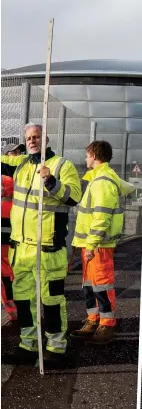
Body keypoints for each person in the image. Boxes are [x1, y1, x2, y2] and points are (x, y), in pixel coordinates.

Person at [1, 124, 82, 363]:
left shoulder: (62, 165)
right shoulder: (22, 164)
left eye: (36, 137)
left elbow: (73, 197)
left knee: (52, 301)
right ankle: (28, 346)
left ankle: (56, 348)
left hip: (48, 249)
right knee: (25, 302)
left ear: (45, 139)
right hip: (21, 250)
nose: (32, 141)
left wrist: (51, 181)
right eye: (28, 138)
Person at [70, 141, 134, 343]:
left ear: (95, 156)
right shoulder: (99, 179)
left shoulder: (102, 182)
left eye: (87, 155)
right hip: (92, 244)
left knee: (102, 284)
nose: (85, 158)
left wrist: (91, 244)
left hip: (97, 245)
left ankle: (107, 324)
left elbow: (101, 216)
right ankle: (93, 319)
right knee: (91, 284)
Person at [1, 143, 24, 324]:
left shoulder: (23, 171)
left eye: (18, 151)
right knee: (5, 270)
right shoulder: (6, 175)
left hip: (19, 224)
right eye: (13, 152)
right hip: (5, 223)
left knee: (15, 268)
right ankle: (12, 308)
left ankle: (17, 307)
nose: (17, 154)